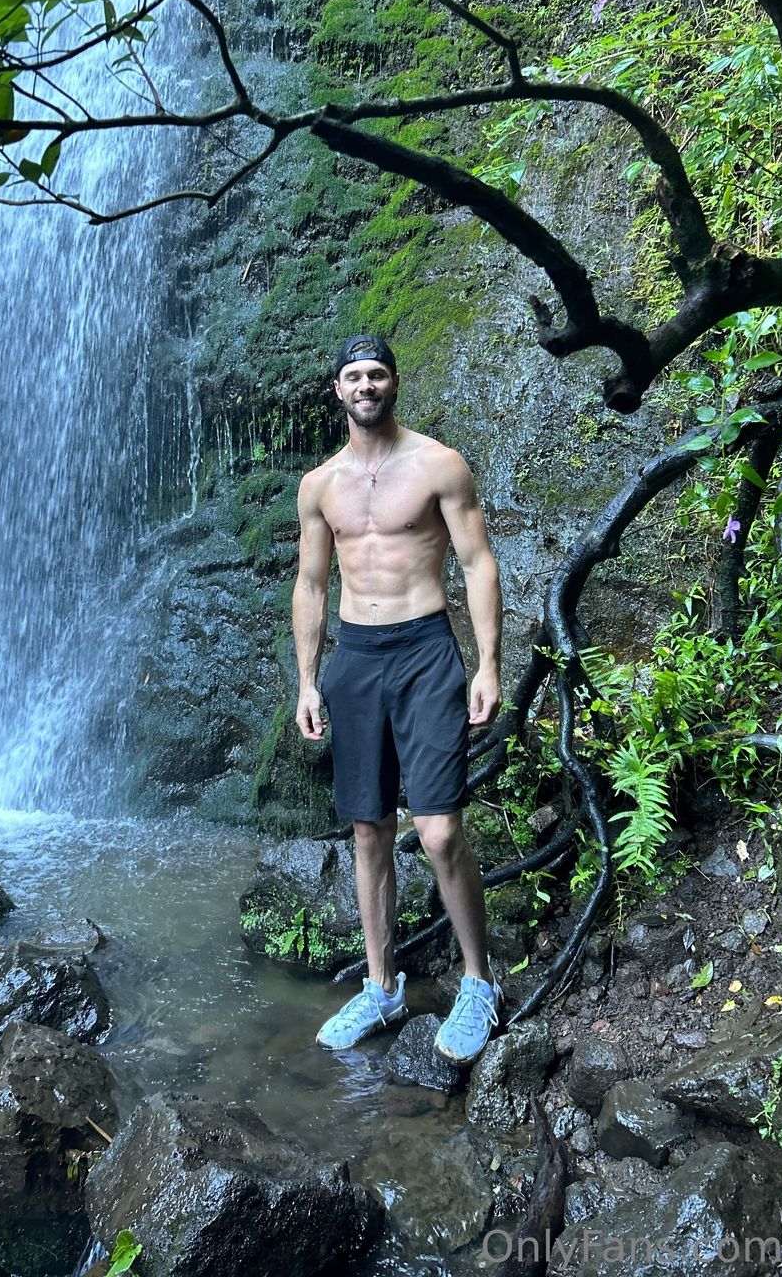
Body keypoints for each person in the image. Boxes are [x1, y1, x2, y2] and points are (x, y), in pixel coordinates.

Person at [293, 334, 504, 1063]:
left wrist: (488, 665)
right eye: (353, 375)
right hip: (355, 660)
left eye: (376, 373)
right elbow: (312, 584)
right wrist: (307, 679)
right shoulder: (320, 485)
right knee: (368, 831)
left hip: (424, 652)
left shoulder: (439, 465)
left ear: (394, 383)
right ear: (338, 389)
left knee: (439, 832)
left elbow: (477, 562)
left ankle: (478, 983)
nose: (366, 385)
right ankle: (382, 986)